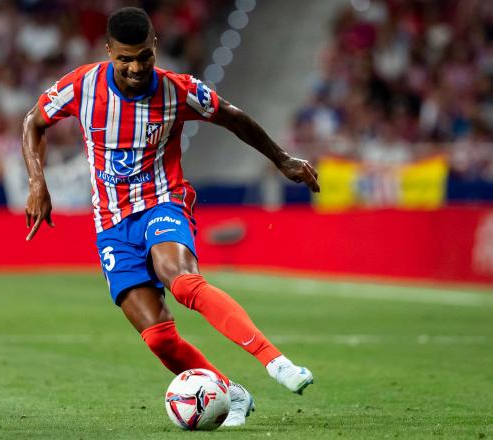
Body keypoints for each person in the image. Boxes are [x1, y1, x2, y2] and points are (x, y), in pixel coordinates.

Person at [22, 7, 320, 427]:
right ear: (109, 52)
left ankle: (276, 362)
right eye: (124, 58)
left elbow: (233, 117)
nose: (135, 67)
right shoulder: (81, 87)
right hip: (111, 225)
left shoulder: (178, 90)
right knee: (159, 338)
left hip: (163, 203)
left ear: (155, 48)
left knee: (181, 282)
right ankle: (232, 393)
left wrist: (282, 159)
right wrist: (38, 182)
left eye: (143, 56)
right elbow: (33, 122)